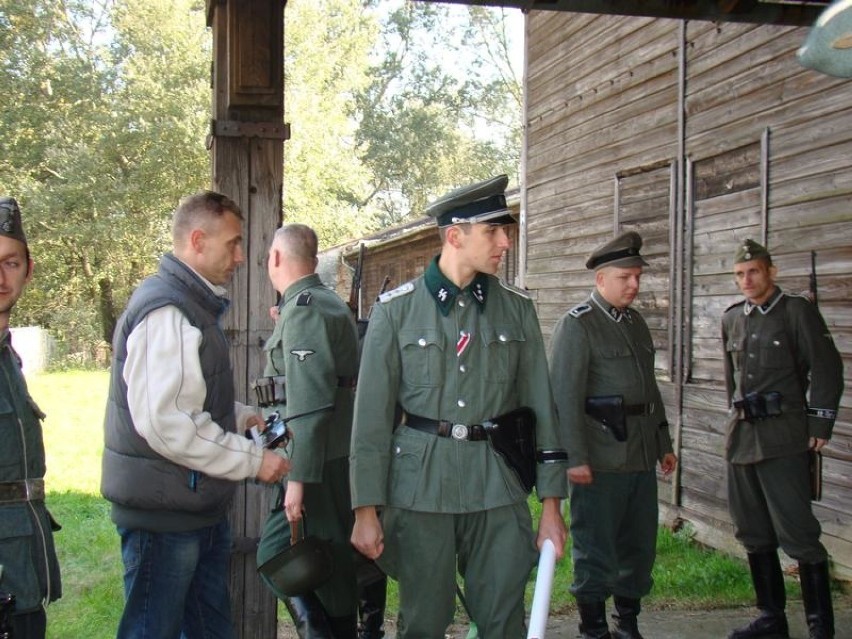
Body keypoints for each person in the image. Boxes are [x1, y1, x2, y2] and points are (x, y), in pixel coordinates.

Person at [349, 175, 569, 638]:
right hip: (421, 487)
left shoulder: (517, 310)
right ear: (455, 235)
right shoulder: (395, 312)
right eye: (493, 231)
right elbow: (370, 421)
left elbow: (542, 409)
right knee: (424, 621)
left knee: (502, 620)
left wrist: (552, 505)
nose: (505, 241)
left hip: (498, 482)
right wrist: (365, 509)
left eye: (504, 230)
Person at [100, 190, 290, 639]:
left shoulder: (189, 306)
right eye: (234, 243)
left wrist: (237, 414)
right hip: (164, 521)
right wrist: (253, 460)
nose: (242, 256)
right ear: (198, 241)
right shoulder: (167, 311)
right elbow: (169, 425)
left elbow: (185, 400)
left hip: (191, 511)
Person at [549, 231, 678, 639]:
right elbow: (564, 397)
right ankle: (593, 628)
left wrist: (664, 443)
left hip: (639, 456)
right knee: (596, 548)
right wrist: (575, 456)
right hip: (600, 460)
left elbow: (649, 390)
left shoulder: (636, 323)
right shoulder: (578, 326)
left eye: (637, 277)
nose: (634, 285)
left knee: (638, 548)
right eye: (626, 277)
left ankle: (628, 624)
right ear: (601, 279)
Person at [722, 239, 843, 639]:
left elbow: (826, 369)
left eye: (753, 271)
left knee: (799, 533)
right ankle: (771, 619)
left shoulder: (795, 312)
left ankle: (819, 626)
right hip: (742, 440)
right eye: (739, 274)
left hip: (783, 438)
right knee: (753, 531)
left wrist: (818, 426)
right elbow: (732, 380)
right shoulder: (732, 318)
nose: (747, 280)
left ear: (770, 271)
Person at [256, 224, 360, 638]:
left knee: (276, 553)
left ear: (277, 258)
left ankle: (318, 630)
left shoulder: (305, 309)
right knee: (331, 560)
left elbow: (311, 402)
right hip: (331, 455)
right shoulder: (322, 303)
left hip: (315, 460)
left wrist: (297, 478)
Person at [0, 197, 61, 639]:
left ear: (28, 269)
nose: (1, 278)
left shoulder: (9, 358)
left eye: (11, 262)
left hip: (21, 569)